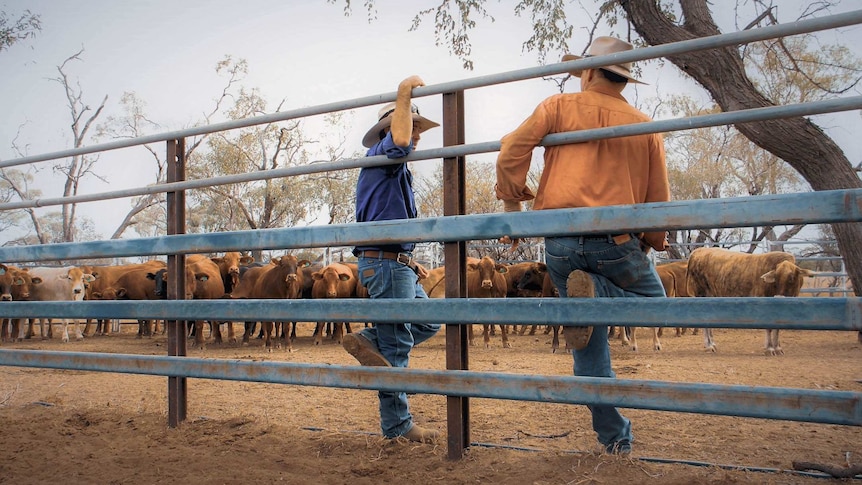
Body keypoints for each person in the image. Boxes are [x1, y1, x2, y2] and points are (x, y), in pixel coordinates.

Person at [494, 36, 670, 455]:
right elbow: (657, 198)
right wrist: (652, 240)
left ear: (588, 72)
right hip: (616, 243)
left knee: (588, 341)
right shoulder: (646, 126)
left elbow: (510, 150)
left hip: (560, 245)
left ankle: (613, 435)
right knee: (658, 304)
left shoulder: (557, 108)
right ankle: (603, 293)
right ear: (624, 81)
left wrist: (513, 200)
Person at [343, 74, 442, 444]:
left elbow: (386, 219)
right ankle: (398, 427)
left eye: (418, 129)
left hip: (393, 261)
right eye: (413, 126)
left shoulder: (391, 169)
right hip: (384, 263)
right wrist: (404, 94)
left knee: (427, 322)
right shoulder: (384, 155)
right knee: (397, 344)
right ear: (393, 126)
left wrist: (410, 260)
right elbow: (399, 140)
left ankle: (371, 340)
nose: (416, 136)